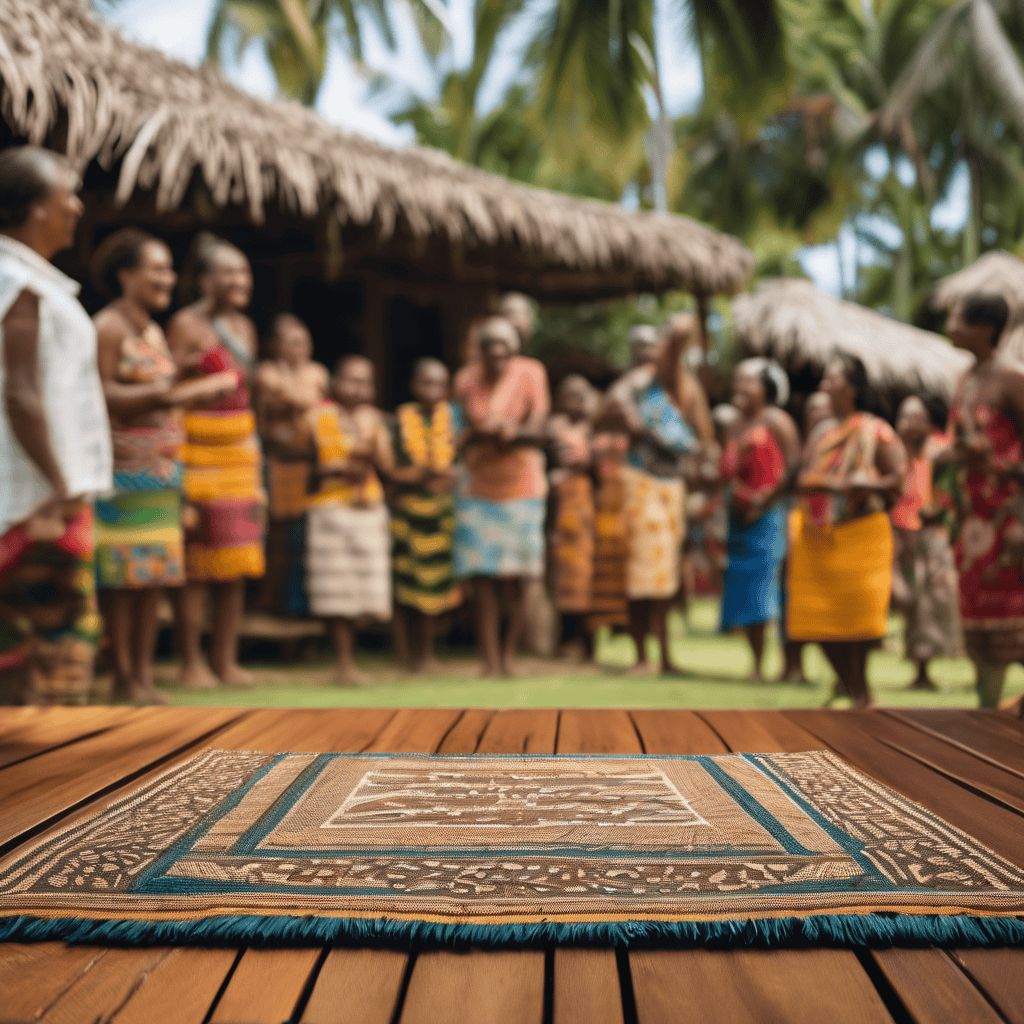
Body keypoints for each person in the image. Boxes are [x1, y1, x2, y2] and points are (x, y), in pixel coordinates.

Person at [91, 229, 235, 704]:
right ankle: (123, 677)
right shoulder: (108, 327)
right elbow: (104, 394)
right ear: (125, 273)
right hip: (121, 473)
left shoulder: (152, 330)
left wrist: (187, 373)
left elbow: (164, 381)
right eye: (156, 268)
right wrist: (176, 393)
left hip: (161, 473)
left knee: (153, 577)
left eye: (169, 268)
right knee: (121, 578)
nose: (167, 278)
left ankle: (145, 677)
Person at [0, 146, 112, 705]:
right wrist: (60, 483)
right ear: (38, 209)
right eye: (66, 194)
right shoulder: (17, 283)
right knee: (45, 659)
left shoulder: (28, 281)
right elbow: (19, 394)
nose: (76, 206)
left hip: (39, 497)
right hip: (35, 503)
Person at [166, 234, 264, 689]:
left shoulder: (245, 327)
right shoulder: (185, 325)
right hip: (199, 452)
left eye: (243, 271)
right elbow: (169, 391)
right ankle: (191, 664)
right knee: (199, 562)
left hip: (240, 452)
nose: (239, 280)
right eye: (229, 272)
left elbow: (251, 394)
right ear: (206, 279)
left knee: (237, 561)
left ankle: (226, 661)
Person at [788, 354, 907, 707]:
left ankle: (861, 693)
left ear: (852, 387)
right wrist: (831, 482)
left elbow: (899, 480)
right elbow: (802, 477)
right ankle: (851, 688)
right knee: (818, 623)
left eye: (833, 378)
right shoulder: (823, 433)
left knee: (858, 621)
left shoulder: (875, 430)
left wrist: (865, 482)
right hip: (819, 538)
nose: (825, 383)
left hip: (861, 537)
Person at [604, 313, 714, 675]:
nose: (653, 351)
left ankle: (665, 656)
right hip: (642, 483)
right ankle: (641, 656)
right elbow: (607, 409)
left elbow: (703, 438)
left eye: (658, 344)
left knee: (667, 573)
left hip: (673, 486)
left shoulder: (684, 387)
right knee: (641, 571)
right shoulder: (636, 385)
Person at [940, 294, 1024, 714]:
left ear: (986, 329)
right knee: (977, 613)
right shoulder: (964, 379)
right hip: (972, 522)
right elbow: (959, 443)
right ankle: (989, 711)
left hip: (1011, 518)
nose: (950, 324)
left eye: (959, 316)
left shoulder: (1012, 379)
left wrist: (996, 461)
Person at [453, 316, 551, 677]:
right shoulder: (465, 379)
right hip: (479, 488)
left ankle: (509, 657)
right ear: (479, 352)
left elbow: (540, 424)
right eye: (490, 349)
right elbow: (463, 429)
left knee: (521, 577)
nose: (498, 357)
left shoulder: (531, 373)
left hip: (523, 487)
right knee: (483, 580)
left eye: (505, 350)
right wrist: (484, 431)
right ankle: (489, 660)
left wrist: (511, 431)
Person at [304, 355, 393, 685]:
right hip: (329, 508)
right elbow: (304, 467)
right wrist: (335, 469)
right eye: (351, 380)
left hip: (367, 508)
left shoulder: (376, 420)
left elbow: (385, 465)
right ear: (336, 382)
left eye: (365, 381)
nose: (358, 388)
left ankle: (349, 656)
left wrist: (372, 448)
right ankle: (343, 663)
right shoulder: (316, 417)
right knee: (334, 592)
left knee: (369, 592)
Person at [719, 359, 800, 681]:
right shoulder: (734, 425)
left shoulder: (777, 421)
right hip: (739, 518)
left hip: (771, 515)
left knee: (775, 586)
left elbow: (793, 468)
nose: (740, 387)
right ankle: (756, 664)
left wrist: (764, 500)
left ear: (767, 388)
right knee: (747, 587)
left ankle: (790, 665)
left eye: (748, 382)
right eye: (737, 381)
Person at [389, 358, 461, 673]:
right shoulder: (399, 421)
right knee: (405, 585)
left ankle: (428, 655)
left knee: (436, 587)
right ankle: (405, 655)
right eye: (427, 383)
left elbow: (455, 473)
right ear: (415, 386)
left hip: (441, 515)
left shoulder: (454, 421)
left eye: (439, 384)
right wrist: (424, 475)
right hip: (408, 515)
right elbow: (391, 470)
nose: (433, 390)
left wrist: (433, 476)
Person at [254, 314, 327, 618]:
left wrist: (295, 399)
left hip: (306, 466)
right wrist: (300, 400)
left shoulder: (317, 372)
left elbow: (306, 399)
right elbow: (302, 399)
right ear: (276, 346)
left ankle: (297, 609)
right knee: (274, 536)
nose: (299, 348)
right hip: (276, 464)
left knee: (303, 537)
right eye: (291, 342)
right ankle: (269, 605)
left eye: (304, 342)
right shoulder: (266, 372)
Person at [889, 395, 962, 691]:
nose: (910, 424)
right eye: (905, 417)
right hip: (901, 536)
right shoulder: (892, 454)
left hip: (933, 537)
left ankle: (927, 666)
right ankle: (919, 666)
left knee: (934, 601)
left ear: (930, 423)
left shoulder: (940, 452)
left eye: (917, 418)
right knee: (911, 602)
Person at [547, 374, 598, 660]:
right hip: (562, 510)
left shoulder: (593, 428)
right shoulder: (553, 426)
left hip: (588, 510)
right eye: (570, 395)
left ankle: (589, 643)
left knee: (590, 577)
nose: (577, 401)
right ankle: (564, 642)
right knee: (562, 578)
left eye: (582, 395)